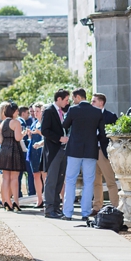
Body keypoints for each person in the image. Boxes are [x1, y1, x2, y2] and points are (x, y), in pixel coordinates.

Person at [60, 89, 105, 221]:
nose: (73, 101)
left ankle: (68, 213)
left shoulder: (73, 110)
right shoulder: (97, 112)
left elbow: (65, 125)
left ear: (78, 97)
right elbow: (102, 132)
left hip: (74, 149)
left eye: (74, 98)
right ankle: (85, 213)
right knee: (89, 181)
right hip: (90, 150)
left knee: (70, 180)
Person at [42, 90, 70, 219]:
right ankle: (48, 209)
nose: (67, 102)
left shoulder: (62, 111)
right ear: (59, 99)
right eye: (66, 100)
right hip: (54, 150)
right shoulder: (49, 111)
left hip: (63, 149)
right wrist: (59, 138)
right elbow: (45, 130)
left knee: (59, 179)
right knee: (52, 180)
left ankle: (55, 207)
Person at [90, 93, 119, 214]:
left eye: (93, 101)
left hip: (104, 152)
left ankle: (115, 207)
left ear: (101, 103)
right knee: (95, 182)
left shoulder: (110, 116)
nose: (91, 103)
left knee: (110, 181)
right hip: (92, 152)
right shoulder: (90, 116)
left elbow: (116, 134)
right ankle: (97, 207)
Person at [0, 102, 25, 212]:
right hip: (14, 150)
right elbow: (17, 138)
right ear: (13, 111)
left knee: (5, 178)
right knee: (14, 178)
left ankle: (6, 201)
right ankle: (16, 202)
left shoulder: (2, 123)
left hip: (4, 150)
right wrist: (23, 134)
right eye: (17, 110)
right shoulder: (16, 122)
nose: (18, 112)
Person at [27, 102, 45, 208]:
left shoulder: (45, 123)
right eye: (34, 111)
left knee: (44, 175)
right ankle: (39, 199)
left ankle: (47, 199)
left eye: (37, 111)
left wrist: (39, 133)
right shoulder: (34, 123)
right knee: (35, 175)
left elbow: (49, 136)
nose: (35, 113)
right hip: (34, 151)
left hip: (42, 150)